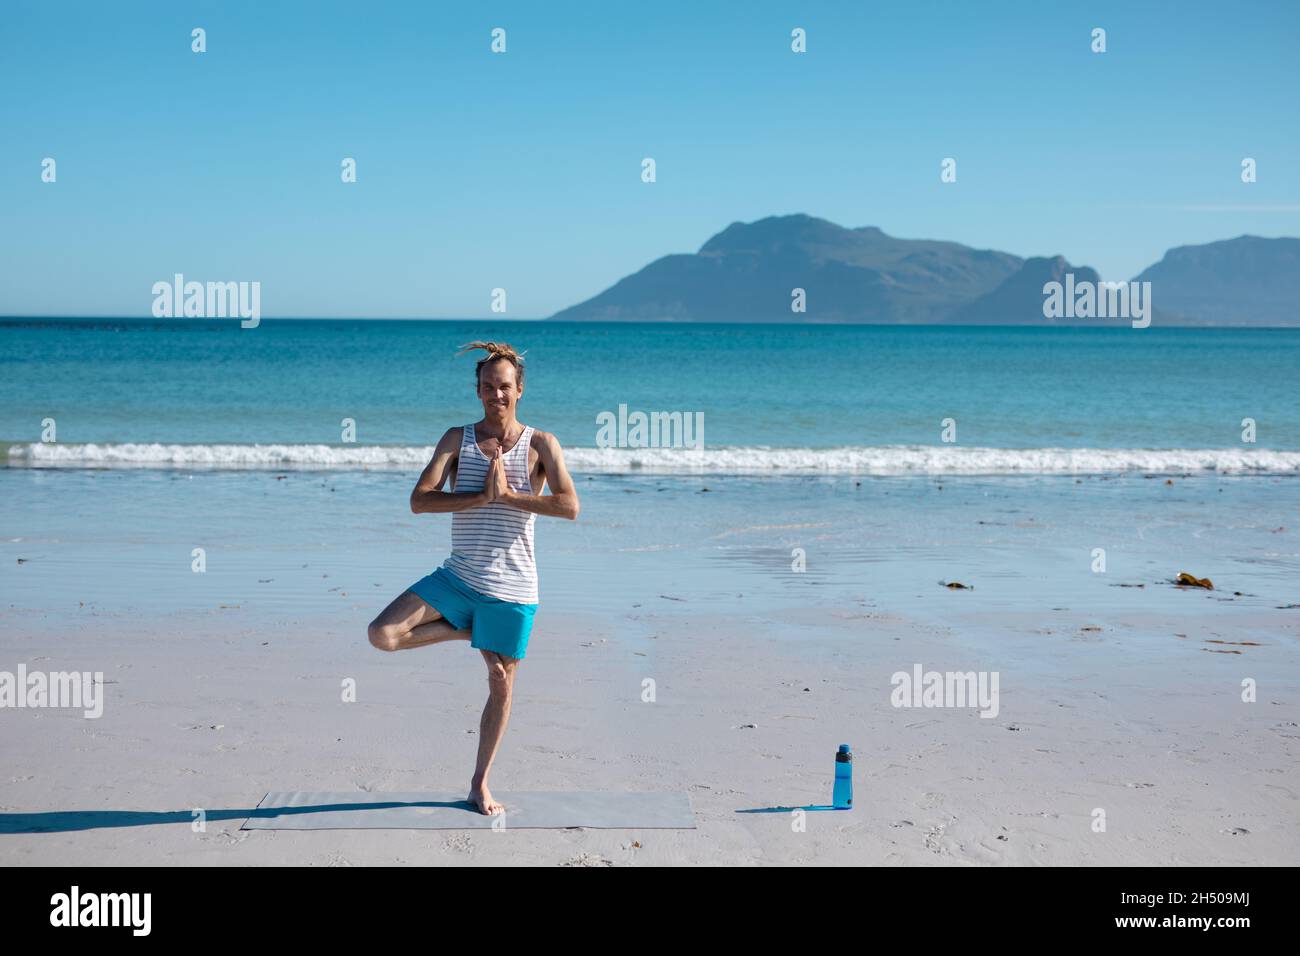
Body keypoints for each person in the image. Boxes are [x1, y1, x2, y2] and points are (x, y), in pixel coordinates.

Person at [367, 341, 580, 815]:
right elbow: (420, 500)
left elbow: (569, 506)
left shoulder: (542, 444)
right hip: (458, 578)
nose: (495, 395)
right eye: (487, 386)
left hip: (513, 587)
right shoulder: (456, 439)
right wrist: (480, 498)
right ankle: (469, 631)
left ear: (519, 390)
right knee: (382, 634)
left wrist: (508, 496)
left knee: (500, 681)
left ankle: (479, 784)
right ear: (477, 390)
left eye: (504, 387)